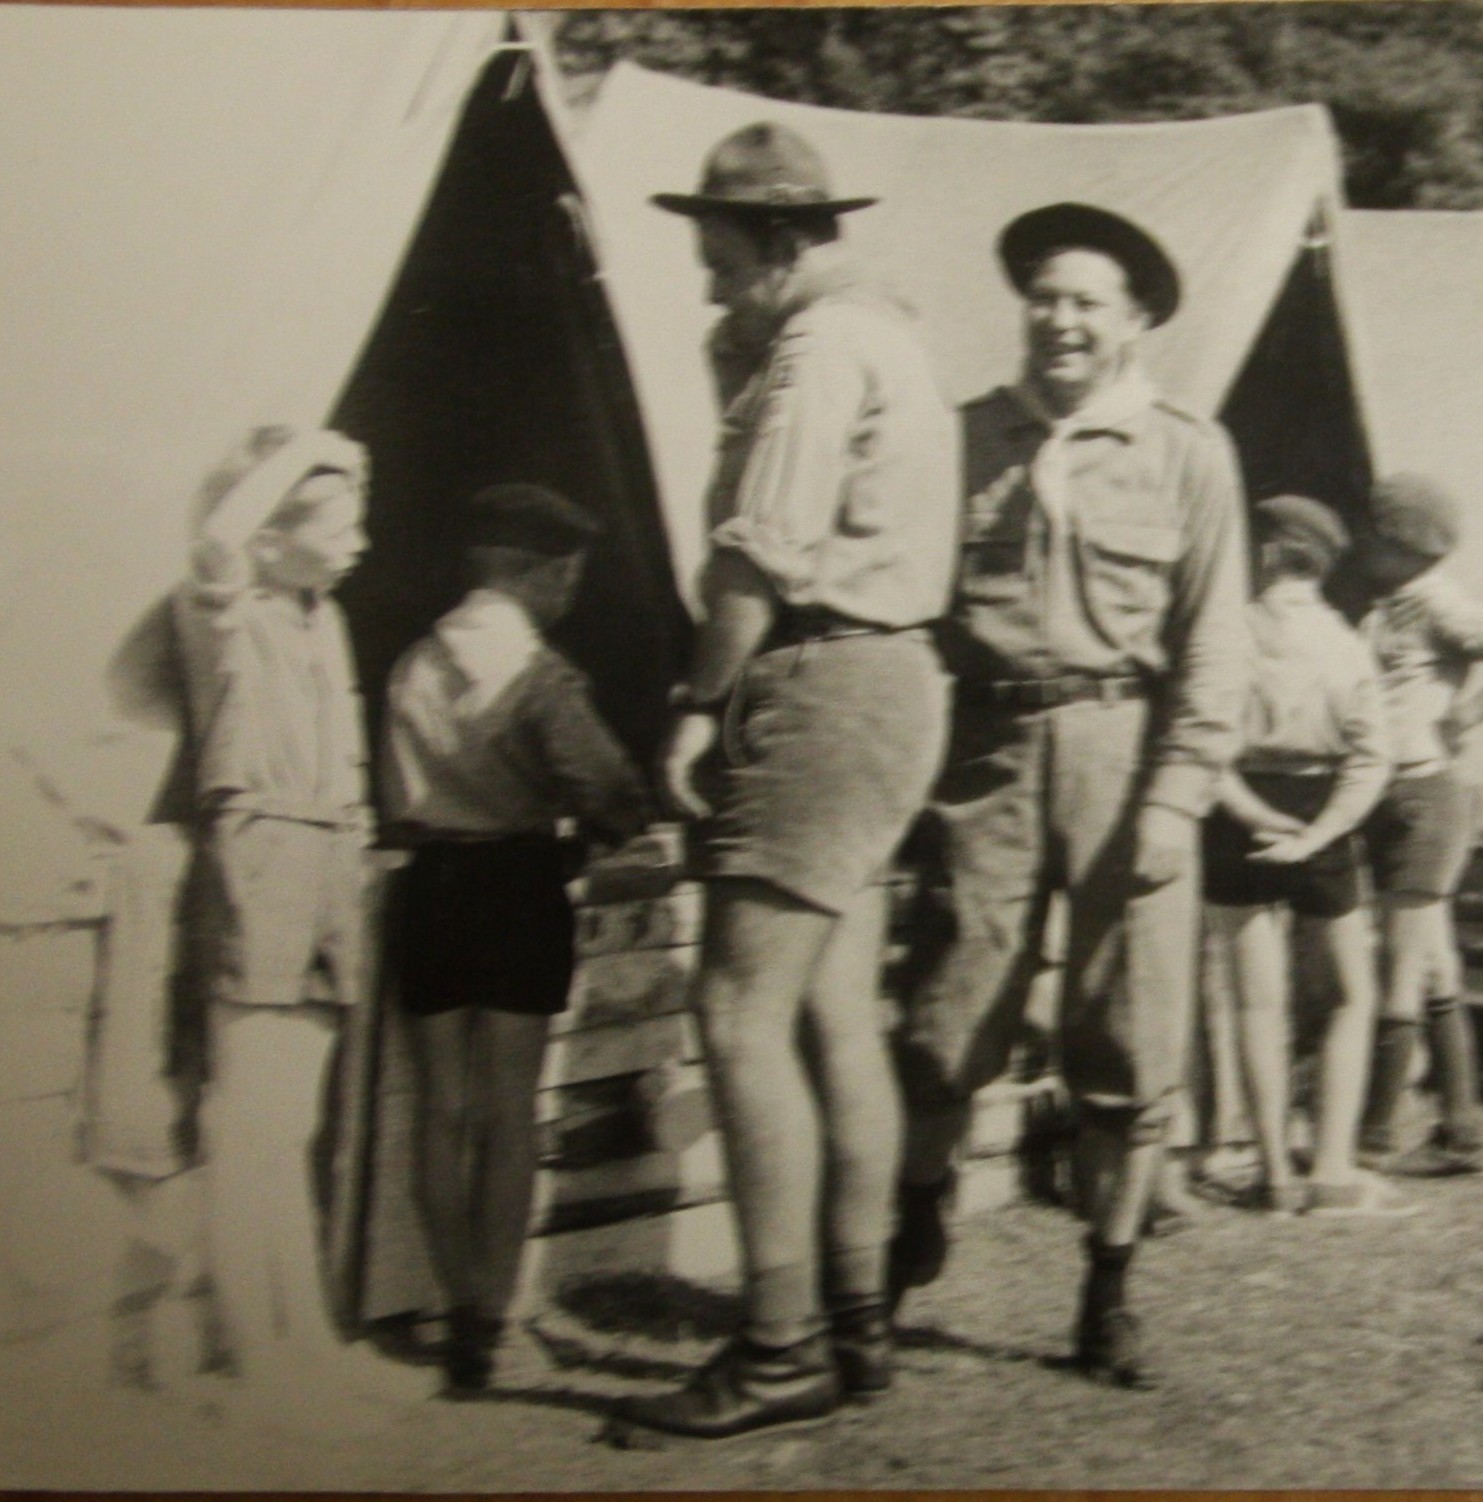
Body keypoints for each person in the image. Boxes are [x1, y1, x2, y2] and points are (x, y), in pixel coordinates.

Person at [620, 122, 958, 1441]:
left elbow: (756, 555)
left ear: (773, 243)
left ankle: (775, 1348)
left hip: (819, 681)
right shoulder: (887, 337)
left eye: (718, 263)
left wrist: (694, 708)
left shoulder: (817, 351)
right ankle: (855, 1319)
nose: (709, 290)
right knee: (830, 1015)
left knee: (737, 1009)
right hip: (890, 680)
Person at [891, 201, 1248, 1389]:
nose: (1060, 320)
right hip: (986, 753)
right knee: (943, 1016)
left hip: (1123, 752)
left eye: (1086, 301)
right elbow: (912, 611)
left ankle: (1107, 1289)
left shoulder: (1187, 451)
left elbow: (1214, 640)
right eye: (1044, 297)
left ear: (1134, 320)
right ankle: (913, 1217)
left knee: (1126, 1038)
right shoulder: (964, 439)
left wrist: (1177, 795)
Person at [175, 426, 432, 1431]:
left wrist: (357, 842)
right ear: (273, 537)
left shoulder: (327, 620)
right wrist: (311, 449)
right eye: (340, 522)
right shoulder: (225, 613)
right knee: (243, 1123)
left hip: (328, 855)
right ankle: (254, 1363)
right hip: (260, 851)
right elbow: (219, 536)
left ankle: (311, 1346)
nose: (361, 541)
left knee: (291, 1125)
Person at [380, 484, 652, 1393]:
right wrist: (603, 833)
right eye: (568, 575)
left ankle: (455, 1304)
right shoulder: (540, 675)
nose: (570, 590)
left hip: (429, 888)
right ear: (541, 573)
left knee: (440, 1109)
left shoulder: (413, 662)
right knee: (507, 1110)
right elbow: (608, 788)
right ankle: (490, 1322)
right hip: (516, 885)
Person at [1200, 494, 1406, 1218]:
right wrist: (1318, 836)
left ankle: (1272, 1176)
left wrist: (1253, 815)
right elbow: (1373, 758)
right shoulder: (1346, 643)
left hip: (1238, 821)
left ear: (1265, 555)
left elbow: (1204, 748)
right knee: (1350, 995)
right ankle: (1331, 1168)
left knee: (1256, 1002)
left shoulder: (1227, 635)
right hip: (1322, 811)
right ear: (1321, 565)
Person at [1350, 474, 1483, 1177]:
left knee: (1400, 968)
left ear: (1400, 543)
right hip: (1398, 797)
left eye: (1374, 536)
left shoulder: (1438, 604)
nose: (1362, 547)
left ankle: (1375, 1136)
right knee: (1435, 967)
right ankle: (1462, 1129)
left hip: (1422, 798)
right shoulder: (1392, 606)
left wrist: (1464, 715)